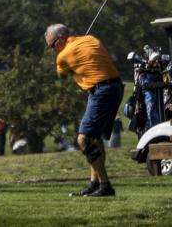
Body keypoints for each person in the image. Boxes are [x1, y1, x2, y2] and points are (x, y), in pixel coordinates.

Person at [44, 23, 123, 197]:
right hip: (115, 87)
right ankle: (94, 183)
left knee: (83, 139)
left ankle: (105, 185)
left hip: (101, 91)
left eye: (52, 45)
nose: (52, 50)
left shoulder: (63, 56)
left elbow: (62, 76)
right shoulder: (90, 39)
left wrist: (66, 64)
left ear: (62, 38)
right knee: (95, 139)